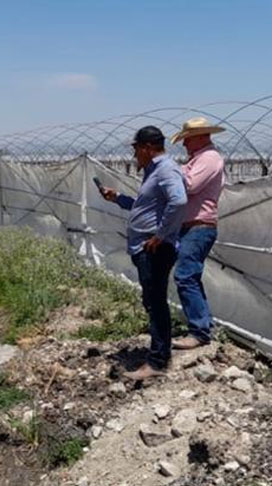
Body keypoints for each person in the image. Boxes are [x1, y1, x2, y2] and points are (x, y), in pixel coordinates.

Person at [98, 126, 188, 381]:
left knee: (156, 302)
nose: (134, 154)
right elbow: (146, 207)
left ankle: (158, 361)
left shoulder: (166, 169)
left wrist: (161, 235)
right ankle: (159, 352)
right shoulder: (154, 172)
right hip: (147, 248)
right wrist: (118, 199)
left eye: (136, 148)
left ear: (148, 147)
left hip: (156, 249)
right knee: (152, 300)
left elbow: (179, 201)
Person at [168, 117, 226, 349]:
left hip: (199, 226)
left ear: (201, 137)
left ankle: (199, 332)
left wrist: (170, 172)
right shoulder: (197, 159)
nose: (184, 144)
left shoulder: (210, 158)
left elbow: (190, 185)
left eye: (187, 139)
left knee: (184, 276)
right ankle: (202, 325)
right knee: (190, 276)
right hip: (191, 227)